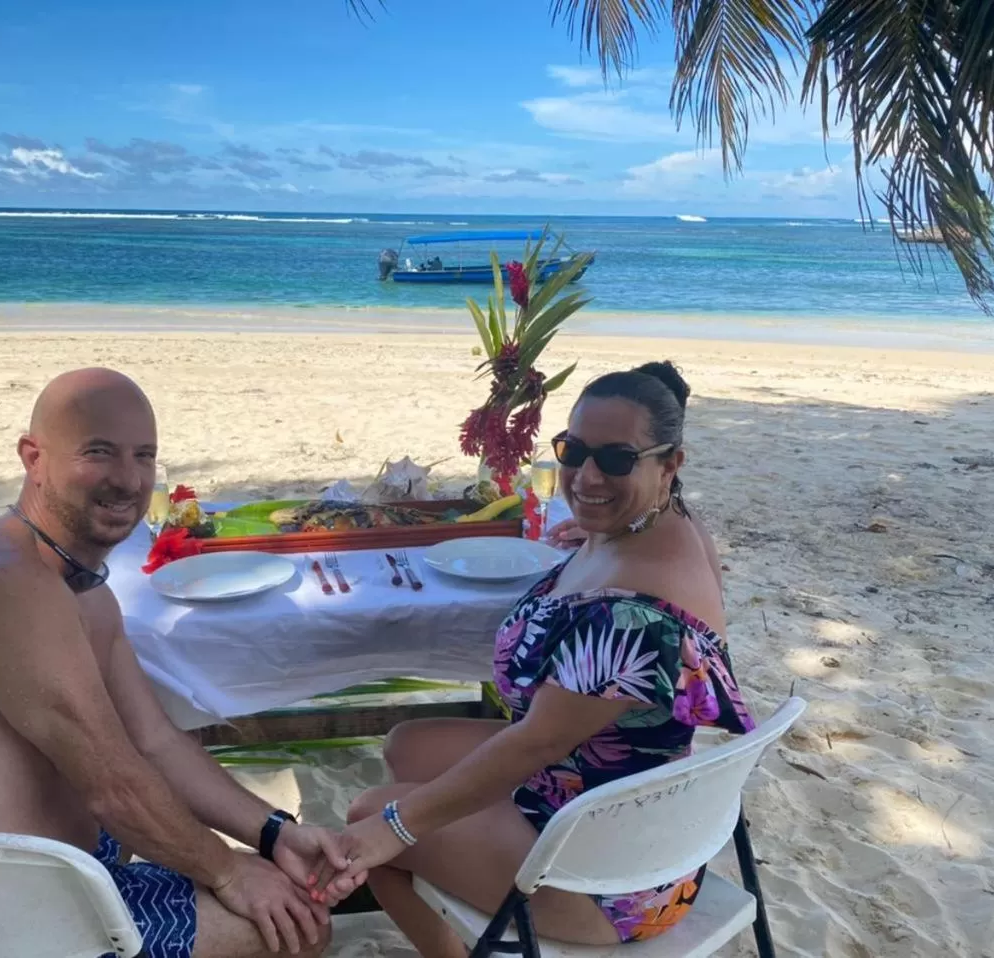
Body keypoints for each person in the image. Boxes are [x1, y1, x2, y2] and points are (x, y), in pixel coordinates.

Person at [0, 368, 343, 958]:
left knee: (281, 895)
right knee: (300, 928)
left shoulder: (83, 588)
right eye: (99, 452)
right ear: (33, 458)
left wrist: (275, 834)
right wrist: (228, 873)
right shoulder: (5, 582)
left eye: (144, 456)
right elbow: (115, 787)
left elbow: (155, 743)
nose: (127, 480)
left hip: (47, 878)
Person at [310, 361, 756, 954]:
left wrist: (393, 830)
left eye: (617, 460)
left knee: (371, 816)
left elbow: (533, 744)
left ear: (670, 462)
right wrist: (597, 524)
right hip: (612, 794)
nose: (587, 475)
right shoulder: (667, 523)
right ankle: (461, 878)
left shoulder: (630, 617)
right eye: (573, 452)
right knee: (408, 743)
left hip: (610, 880)